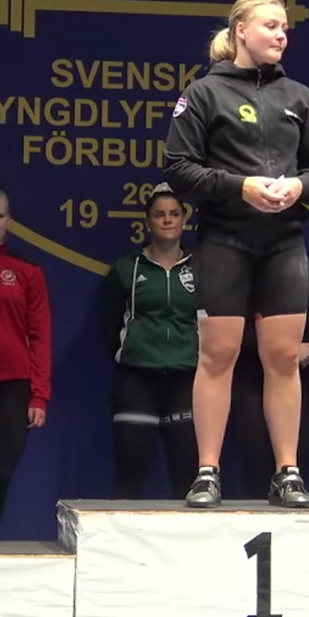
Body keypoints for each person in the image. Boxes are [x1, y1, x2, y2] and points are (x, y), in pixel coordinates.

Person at [164, 0, 309, 508]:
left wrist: (299, 186)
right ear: (241, 30)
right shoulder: (203, 93)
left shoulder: (300, 97)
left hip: (284, 242)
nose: (282, 35)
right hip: (224, 239)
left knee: (282, 357)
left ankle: (287, 472)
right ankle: (207, 472)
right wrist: (240, 187)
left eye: (285, 28)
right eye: (271, 26)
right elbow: (178, 168)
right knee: (217, 354)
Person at [102, 184, 199, 499]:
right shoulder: (127, 268)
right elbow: (109, 323)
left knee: (188, 476)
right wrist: (129, 353)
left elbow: (212, 322)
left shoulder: (201, 267)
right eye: (159, 215)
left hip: (187, 377)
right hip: (137, 378)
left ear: (184, 219)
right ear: (148, 222)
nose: (167, 220)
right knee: (131, 473)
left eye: (174, 214)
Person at [0, 189, 51, 539]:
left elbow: (40, 335)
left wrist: (39, 395)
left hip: (13, 387)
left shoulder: (27, 272)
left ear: (9, 221)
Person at [230, 259, 309, 498]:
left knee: (296, 463)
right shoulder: (242, 277)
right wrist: (282, 349)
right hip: (252, 381)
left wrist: (307, 350)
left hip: (301, 381)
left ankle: (291, 505)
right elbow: (233, 328)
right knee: (255, 460)